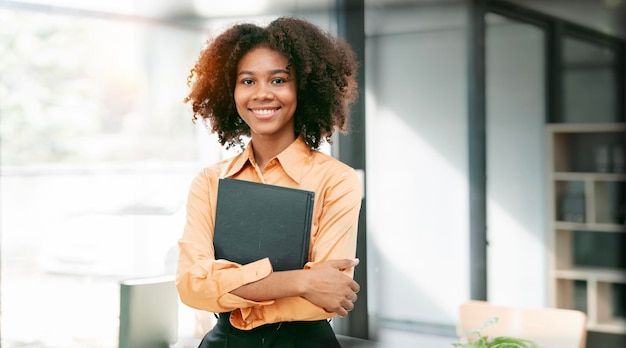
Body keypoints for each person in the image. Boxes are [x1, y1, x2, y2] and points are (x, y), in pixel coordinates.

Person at [176, 16, 362, 348]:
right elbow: (192, 285)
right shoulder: (210, 181)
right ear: (229, 90)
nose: (262, 94)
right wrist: (302, 280)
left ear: (303, 88)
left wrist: (227, 285)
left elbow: (328, 295)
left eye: (278, 80)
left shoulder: (337, 181)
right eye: (247, 81)